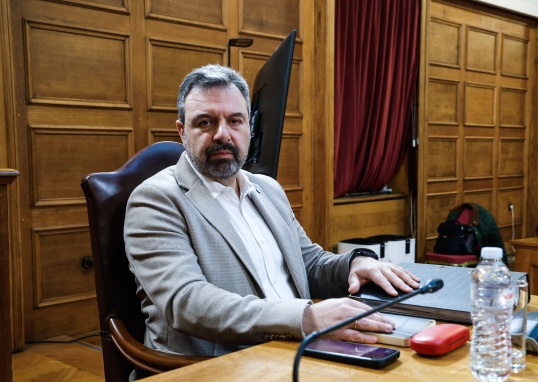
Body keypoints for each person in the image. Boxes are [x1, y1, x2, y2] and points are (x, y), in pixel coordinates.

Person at [124, 64, 420, 360]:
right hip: (215, 368)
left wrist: (353, 265)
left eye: (235, 121)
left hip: (296, 351)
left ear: (249, 127)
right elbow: (187, 302)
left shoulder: (268, 189)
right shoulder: (156, 199)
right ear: (182, 131)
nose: (222, 134)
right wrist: (305, 318)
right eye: (205, 122)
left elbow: (309, 263)